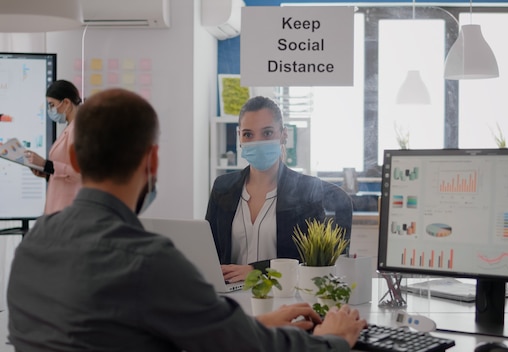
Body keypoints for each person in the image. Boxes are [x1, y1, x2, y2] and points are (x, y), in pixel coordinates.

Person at [7, 88, 366, 351]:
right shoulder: (150, 261)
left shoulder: (33, 245)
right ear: (154, 160)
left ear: (73, 156)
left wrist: (251, 324)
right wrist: (333, 340)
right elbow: (242, 348)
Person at [206, 96, 353, 283]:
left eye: (267, 133)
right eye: (248, 134)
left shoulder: (306, 191)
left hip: (285, 298)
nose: (257, 141)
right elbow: (209, 251)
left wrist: (257, 270)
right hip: (230, 299)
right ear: (239, 138)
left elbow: (315, 262)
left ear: (284, 135)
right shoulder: (223, 187)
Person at [25, 79, 82, 214]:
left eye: (52, 105)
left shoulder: (79, 129)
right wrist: (47, 174)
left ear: (66, 103)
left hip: (69, 210)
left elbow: (80, 173)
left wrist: (47, 165)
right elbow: (66, 170)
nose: (50, 110)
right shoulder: (70, 127)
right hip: (60, 207)